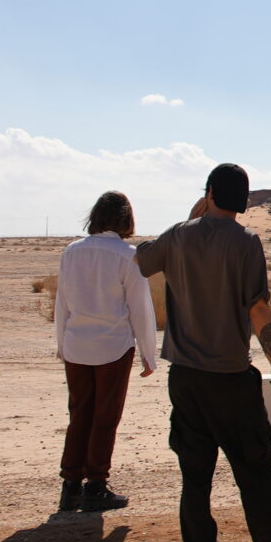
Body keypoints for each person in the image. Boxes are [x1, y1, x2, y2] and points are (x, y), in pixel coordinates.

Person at [134, 163, 271, 542]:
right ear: (245, 202)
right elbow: (257, 310)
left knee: (195, 477)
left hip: (187, 379)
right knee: (254, 471)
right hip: (231, 378)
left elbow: (141, 262)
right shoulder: (247, 242)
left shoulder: (179, 234)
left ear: (210, 192)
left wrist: (189, 217)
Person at [53, 190, 157, 514]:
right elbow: (140, 309)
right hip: (113, 345)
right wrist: (148, 353)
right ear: (126, 219)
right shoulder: (128, 255)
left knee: (79, 414)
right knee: (105, 417)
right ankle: (95, 485)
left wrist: (61, 344)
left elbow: (62, 303)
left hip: (76, 344)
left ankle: (70, 487)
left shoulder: (71, 252)